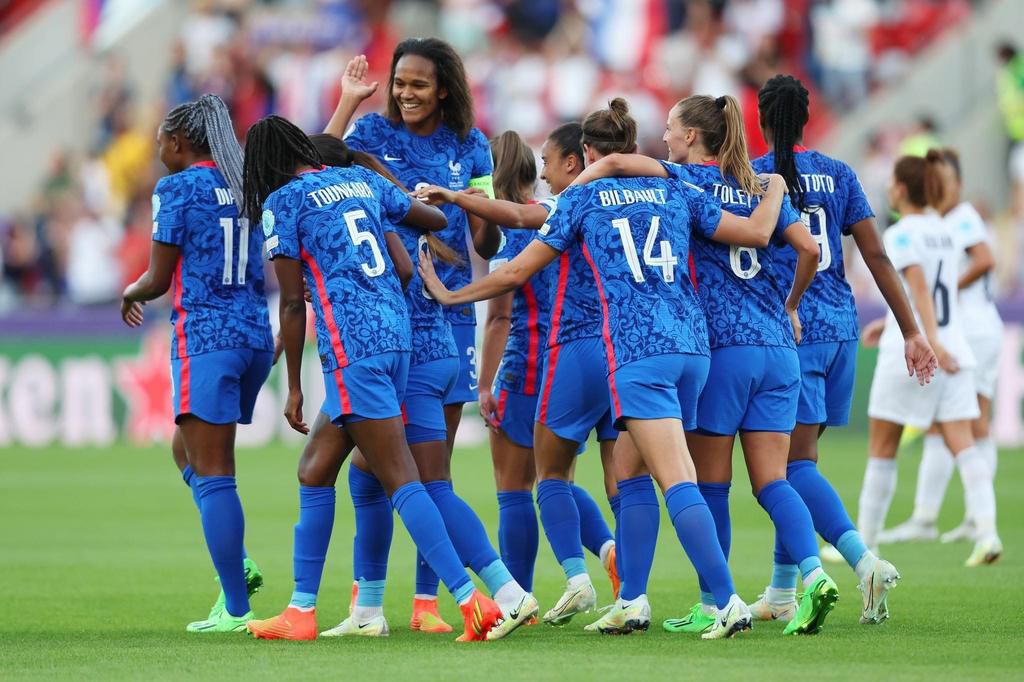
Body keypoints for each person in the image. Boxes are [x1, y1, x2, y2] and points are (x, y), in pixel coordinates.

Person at [419, 98, 791, 639]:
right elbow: (756, 233)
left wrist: (450, 295)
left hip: (639, 352)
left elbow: (516, 271)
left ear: (586, 153)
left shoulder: (581, 197)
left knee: (676, 479)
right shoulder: (678, 187)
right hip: (693, 347)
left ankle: (726, 601)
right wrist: (774, 186)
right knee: (629, 473)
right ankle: (632, 600)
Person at [574, 93, 839, 637]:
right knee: (771, 480)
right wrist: (790, 306)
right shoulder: (757, 186)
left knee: (706, 484)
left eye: (670, 128)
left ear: (691, 137)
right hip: (777, 346)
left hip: (714, 347)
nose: (665, 136)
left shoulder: (681, 182)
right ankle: (814, 573)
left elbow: (621, 163)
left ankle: (710, 601)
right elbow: (808, 250)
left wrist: (574, 193)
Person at [239, 115, 503, 643]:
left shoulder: (282, 203)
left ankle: (474, 600)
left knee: (402, 478)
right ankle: (301, 610)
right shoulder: (360, 180)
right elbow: (428, 217)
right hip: (397, 336)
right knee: (315, 470)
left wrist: (292, 384)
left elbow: (292, 303)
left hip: (351, 347)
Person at [302, 134, 538, 640]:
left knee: (427, 487)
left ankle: (506, 591)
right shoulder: (390, 202)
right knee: (367, 479)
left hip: (407, 360)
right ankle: (368, 610)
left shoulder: (363, 212)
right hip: (439, 351)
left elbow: (403, 269)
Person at [750, 75, 937, 625]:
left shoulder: (756, 176)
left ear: (761, 118)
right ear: (807, 118)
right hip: (841, 325)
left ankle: (863, 561)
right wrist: (912, 330)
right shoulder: (838, 173)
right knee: (799, 462)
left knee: (787, 470)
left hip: (792, 327)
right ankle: (783, 590)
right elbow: (877, 256)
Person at [324, 44, 502, 622]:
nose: (405, 92)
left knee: (429, 466)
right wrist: (348, 103)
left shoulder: (469, 145)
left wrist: (481, 206)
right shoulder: (371, 133)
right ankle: (376, 599)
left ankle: (421, 602)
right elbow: (312, 168)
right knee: (375, 467)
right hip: (386, 315)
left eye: (418, 84)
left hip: (447, 316)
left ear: (444, 89)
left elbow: (487, 244)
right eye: (399, 82)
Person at [414, 123, 621, 606]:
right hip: (595, 355)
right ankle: (609, 549)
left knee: (515, 487)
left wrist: (484, 383)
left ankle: (521, 592)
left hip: (532, 363)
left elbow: (501, 313)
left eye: (551, 160)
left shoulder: (519, 228)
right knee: (560, 476)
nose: (547, 170)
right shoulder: (577, 212)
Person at [119, 94, 274, 633]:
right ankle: (239, 561)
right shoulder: (247, 182)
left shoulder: (176, 187)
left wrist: (130, 290)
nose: (157, 148)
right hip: (255, 334)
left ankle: (235, 607)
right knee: (183, 448)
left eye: (160, 139)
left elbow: (158, 280)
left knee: (214, 473)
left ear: (178, 143)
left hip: (207, 337)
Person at [858, 152, 1001, 568]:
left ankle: (865, 546)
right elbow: (936, 291)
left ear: (902, 189)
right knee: (964, 443)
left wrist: (928, 342)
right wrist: (890, 325)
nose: (887, 188)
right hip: (957, 346)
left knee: (882, 446)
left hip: (918, 350)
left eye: (891, 182)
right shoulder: (945, 228)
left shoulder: (902, 234)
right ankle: (988, 532)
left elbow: (920, 292)